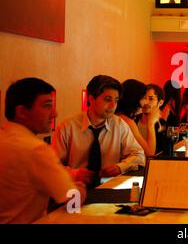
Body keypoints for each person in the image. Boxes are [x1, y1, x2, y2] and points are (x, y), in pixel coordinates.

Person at [0, 78, 86, 223]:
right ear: (21, 111)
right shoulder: (35, 149)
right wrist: (80, 190)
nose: (55, 113)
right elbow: (72, 200)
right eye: (47, 106)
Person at [52, 75, 145, 188]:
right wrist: (74, 174)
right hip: (75, 189)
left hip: (109, 188)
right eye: (107, 99)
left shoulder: (119, 125)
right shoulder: (67, 127)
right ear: (91, 99)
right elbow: (52, 167)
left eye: (116, 100)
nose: (113, 106)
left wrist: (120, 167)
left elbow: (139, 155)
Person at [115, 79, 155, 157]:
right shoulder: (126, 120)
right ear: (134, 99)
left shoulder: (120, 115)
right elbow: (149, 153)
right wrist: (151, 123)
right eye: (144, 98)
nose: (146, 102)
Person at [136, 84, 167, 155]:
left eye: (151, 99)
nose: (145, 102)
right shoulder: (134, 120)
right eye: (144, 98)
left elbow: (156, 154)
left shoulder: (162, 125)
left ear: (160, 102)